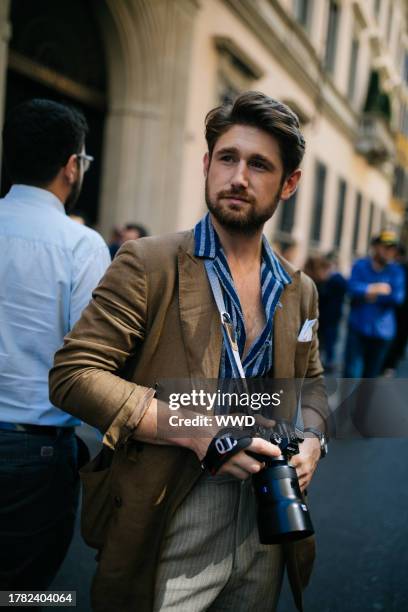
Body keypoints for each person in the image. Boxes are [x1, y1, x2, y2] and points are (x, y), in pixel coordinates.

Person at [50, 92, 328, 612]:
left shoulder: (300, 289)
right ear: (207, 165)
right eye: (227, 158)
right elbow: (74, 374)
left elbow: (310, 383)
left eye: (260, 165)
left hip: (267, 518)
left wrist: (312, 440)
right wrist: (199, 431)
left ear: (288, 183)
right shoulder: (147, 262)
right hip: (173, 508)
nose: (238, 177)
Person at [0, 98, 111, 591]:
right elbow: (93, 356)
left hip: (36, 450)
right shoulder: (80, 245)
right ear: (72, 166)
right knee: (25, 587)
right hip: (36, 454)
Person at [343, 231, 405, 378]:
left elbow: (397, 297)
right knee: (351, 374)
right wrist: (374, 288)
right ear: (376, 247)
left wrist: (367, 293)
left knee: (370, 378)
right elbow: (351, 289)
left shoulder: (396, 271)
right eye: (386, 247)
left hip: (382, 333)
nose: (390, 251)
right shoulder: (360, 265)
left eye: (393, 248)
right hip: (358, 328)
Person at [382, 244, 408, 376]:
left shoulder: (398, 269)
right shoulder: (393, 268)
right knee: (398, 337)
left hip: (401, 309)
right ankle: (390, 363)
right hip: (396, 309)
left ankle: (389, 364)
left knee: (398, 337)